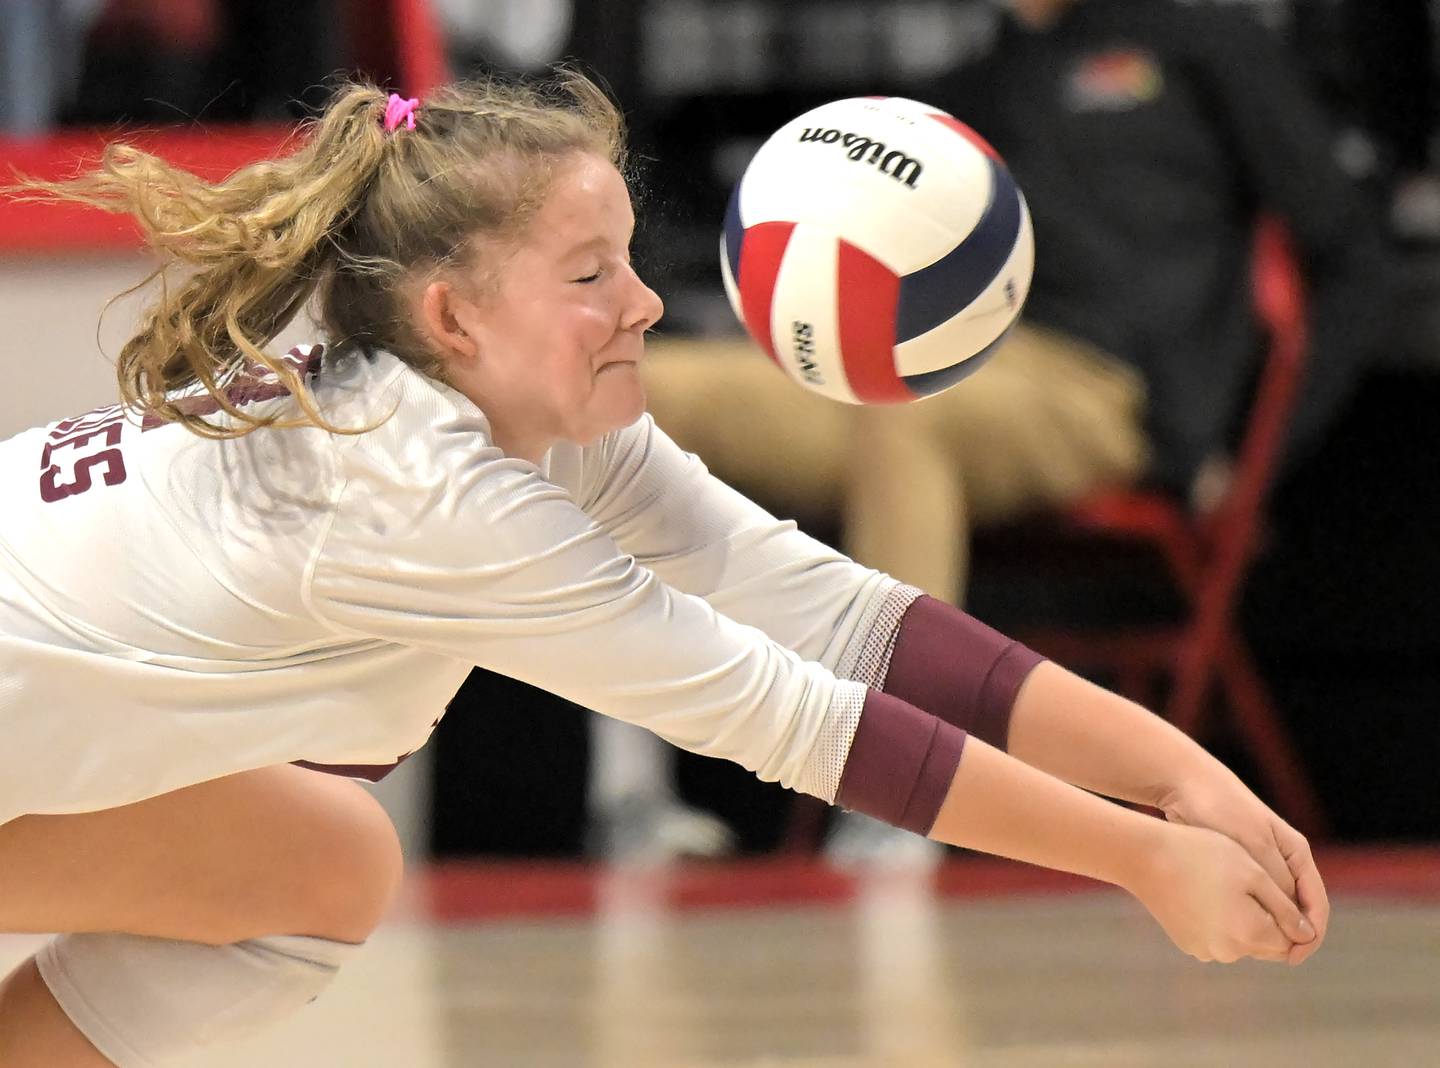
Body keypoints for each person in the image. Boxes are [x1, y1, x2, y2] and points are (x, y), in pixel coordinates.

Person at [0, 70, 1326, 1067]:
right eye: (590, 273)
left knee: (318, 867)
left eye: (631, 257)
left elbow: (850, 621)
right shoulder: (428, 495)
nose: (643, 302)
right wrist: (1141, 863)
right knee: (317, 862)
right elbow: (799, 719)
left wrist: (1177, 775)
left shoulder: (541, 428)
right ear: (453, 317)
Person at [641, 0, 1394, 857]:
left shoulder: (1204, 42)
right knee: (634, 386)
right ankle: (630, 794)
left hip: (1097, 391)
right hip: (906, 367)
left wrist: (1255, 456)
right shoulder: (972, 84)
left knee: (904, 418)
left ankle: (900, 791)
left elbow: (1351, 256)